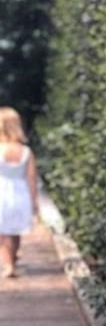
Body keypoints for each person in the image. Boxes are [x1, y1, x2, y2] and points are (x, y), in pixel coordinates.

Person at [0, 107, 38, 278]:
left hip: (2, 193)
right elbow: (31, 179)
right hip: (20, 194)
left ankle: (8, 265)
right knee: (15, 231)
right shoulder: (26, 152)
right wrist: (34, 202)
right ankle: (12, 258)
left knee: (2, 233)